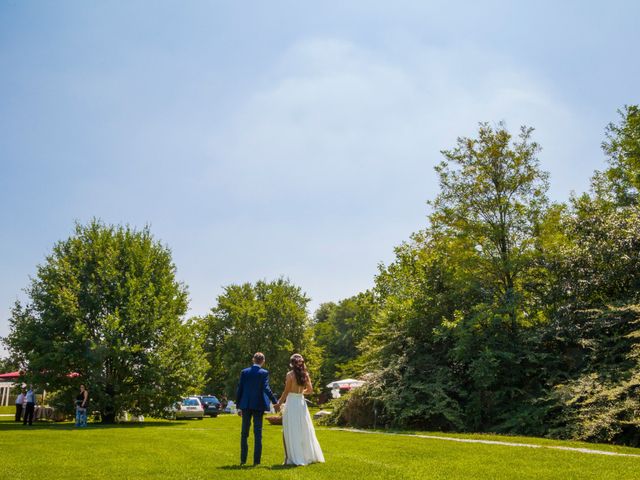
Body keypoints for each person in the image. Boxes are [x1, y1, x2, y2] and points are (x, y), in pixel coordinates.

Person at [278, 353, 324, 466]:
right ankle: (306, 455)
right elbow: (310, 390)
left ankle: (289, 457)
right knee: (304, 428)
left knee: (289, 429)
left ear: (292, 364)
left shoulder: (290, 375)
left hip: (292, 403)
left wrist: (278, 403)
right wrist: (301, 393)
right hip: (301, 402)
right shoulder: (305, 375)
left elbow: (286, 391)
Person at [236, 352, 280, 466]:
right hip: (258, 405)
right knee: (258, 433)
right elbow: (266, 388)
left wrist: (238, 406)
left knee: (244, 433)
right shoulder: (264, 373)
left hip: (245, 405)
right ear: (263, 361)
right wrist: (275, 401)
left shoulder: (244, 372)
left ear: (253, 360)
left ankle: (243, 460)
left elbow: (240, 389)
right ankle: (256, 462)